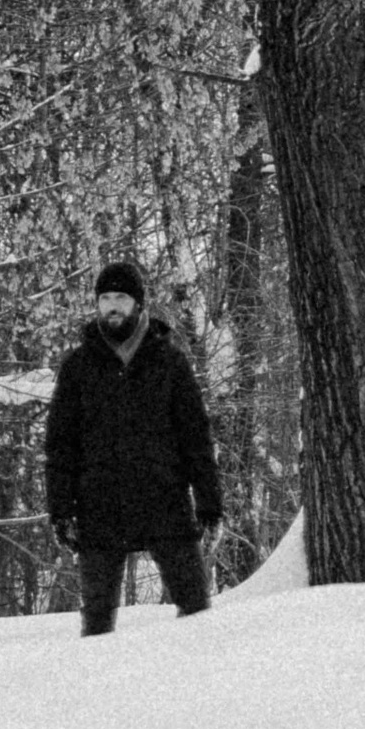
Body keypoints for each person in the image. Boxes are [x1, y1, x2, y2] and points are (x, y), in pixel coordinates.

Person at [43, 258, 224, 635]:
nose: (112, 306)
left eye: (121, 298)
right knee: (96, 623)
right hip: (98, 505)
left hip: (164, 500)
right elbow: (61, 445)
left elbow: (196, 437)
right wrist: (60, 509)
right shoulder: (78, 366)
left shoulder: (169, 361)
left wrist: (209, 502)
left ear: (138, 304)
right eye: (105, 298)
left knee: (197, 610)